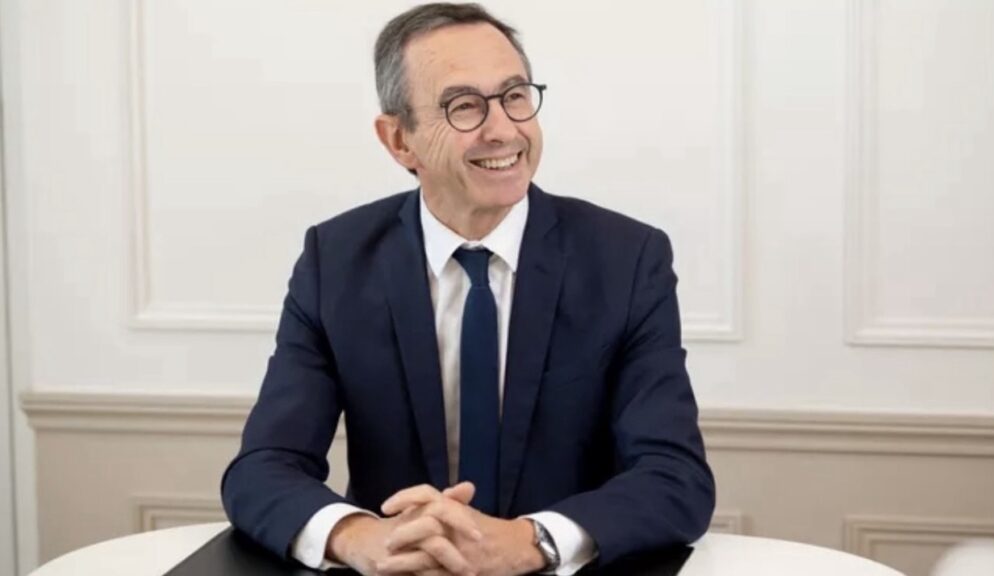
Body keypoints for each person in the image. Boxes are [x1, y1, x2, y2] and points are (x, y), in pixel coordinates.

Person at [221, 3, 715, 575]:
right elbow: (262, 469)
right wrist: (361, 538)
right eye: (464, 106)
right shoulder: (335, 261)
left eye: (515, 96)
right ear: (399, 140)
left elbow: (675, 477)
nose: (503, 129)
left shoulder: (627, 259)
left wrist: (529, 541)